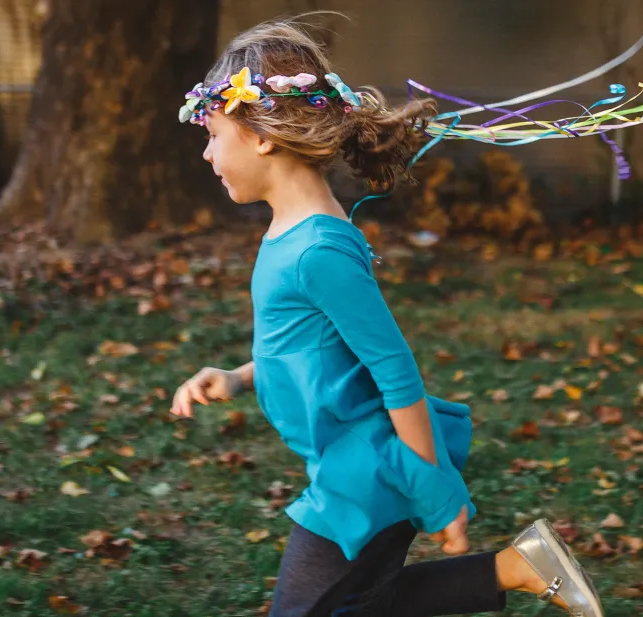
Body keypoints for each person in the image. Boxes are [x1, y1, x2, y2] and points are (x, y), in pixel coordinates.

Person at [169, 16, 604, 617]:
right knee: (368, 602)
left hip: (367, 470)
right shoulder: (298, 233)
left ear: (261, 135)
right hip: (353, 458)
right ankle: (518, 567)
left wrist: (435, 489)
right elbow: (311, 347)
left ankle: (517, 566)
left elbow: (394, 371)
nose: (207, 150)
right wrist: (240, 377)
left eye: (214, 133)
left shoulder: (317, 250)